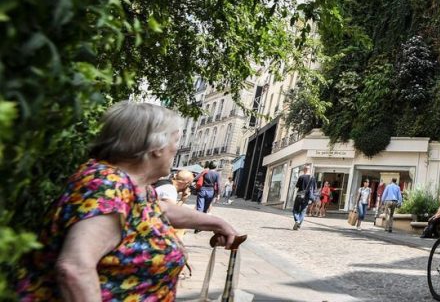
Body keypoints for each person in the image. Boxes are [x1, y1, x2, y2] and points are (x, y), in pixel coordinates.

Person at [16, 102, 238, 300]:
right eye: (175, 139)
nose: (176, 148)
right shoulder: (107, 184)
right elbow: (75, 269)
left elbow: (160, 210)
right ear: (156, 147)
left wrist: (216, 223)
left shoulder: (130, 186)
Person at [292, 164, 316, 230]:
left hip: (300, 195)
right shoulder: (312, 178)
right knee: (302, 211)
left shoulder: (301, 177)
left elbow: (297, 186)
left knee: (295, 210)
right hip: (307, 197)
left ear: (304, 170)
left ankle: (297, 220)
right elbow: (314, 189)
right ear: (309, 170)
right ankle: (298, 226)